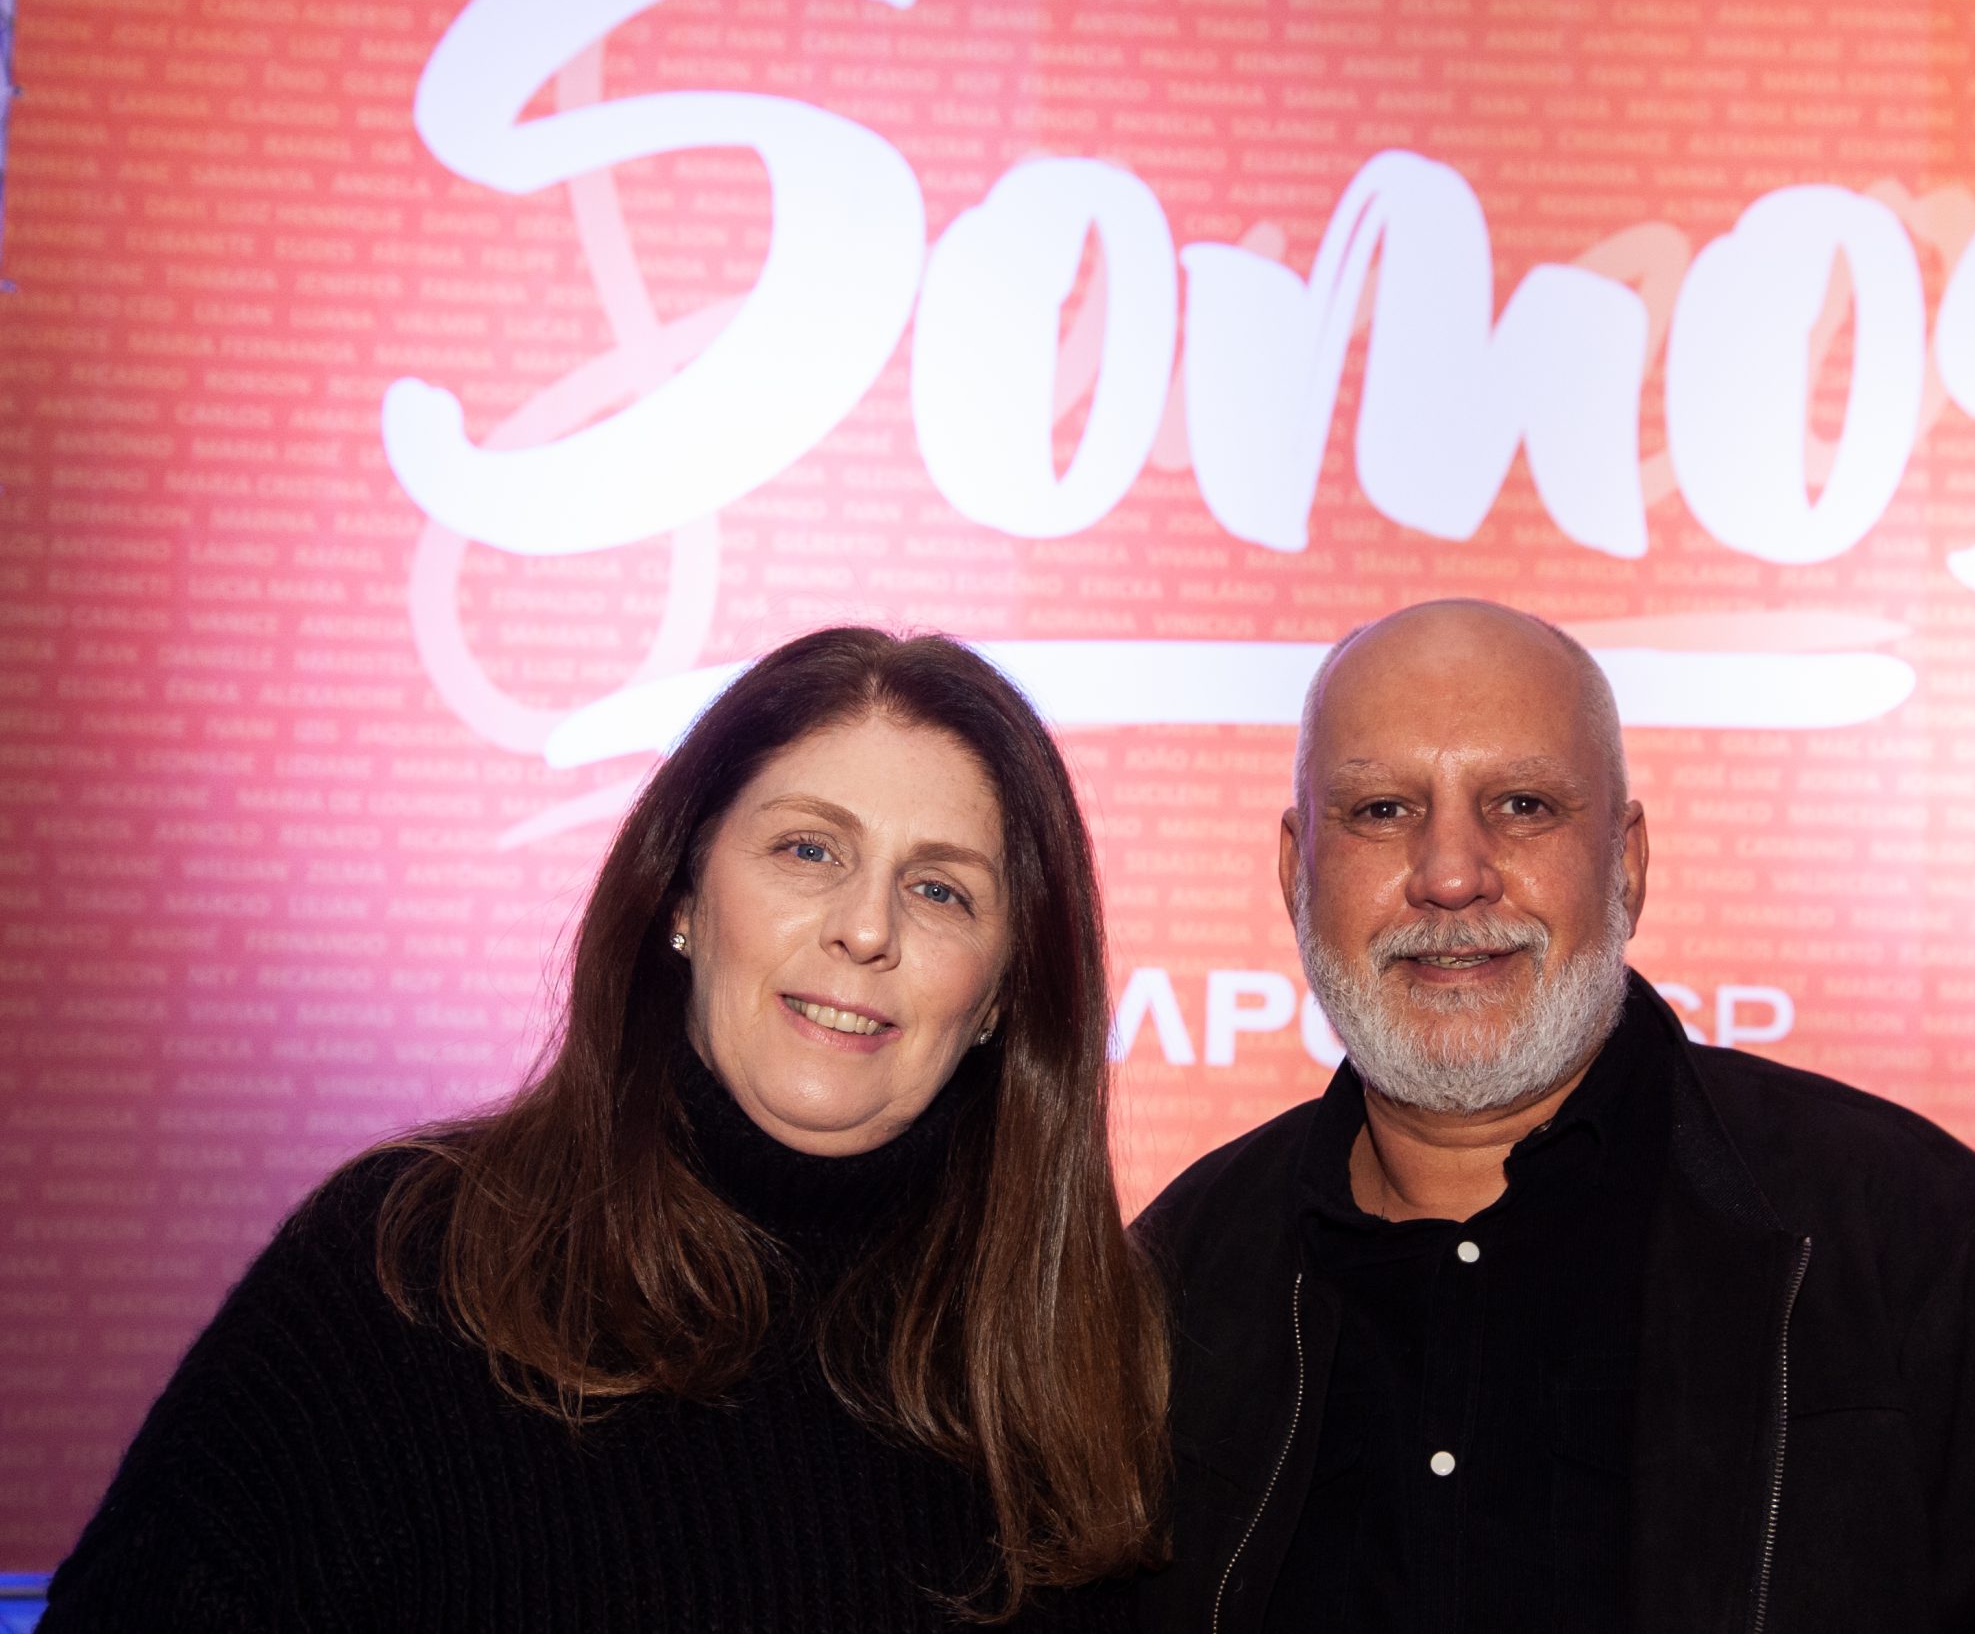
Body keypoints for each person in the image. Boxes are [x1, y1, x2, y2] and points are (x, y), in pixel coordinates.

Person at [42, 627, 1166, 1632]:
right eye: (808, 850)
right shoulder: (408, 1266)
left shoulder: (1075, 1358)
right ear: (682, 899)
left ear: (1004, 994)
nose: (866, 928)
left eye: (940, 890)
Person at [1133, 599, 1975, 1634]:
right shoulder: (1160, 1295)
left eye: (1522, 804)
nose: (1451, 874)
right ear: (1297, 872)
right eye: (1381, 811)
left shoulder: (1930, 1256)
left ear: (1627, 863)